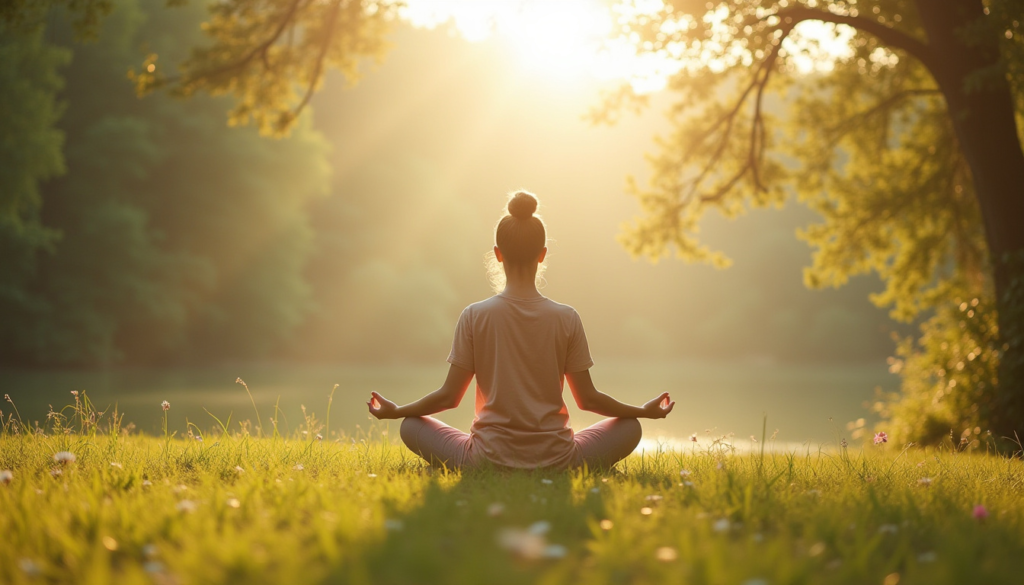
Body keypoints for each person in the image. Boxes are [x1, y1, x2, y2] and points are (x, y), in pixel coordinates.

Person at [366, 190, 674, 470]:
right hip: (558, 458)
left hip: (485, 458)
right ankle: (570, 464)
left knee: (410, 425)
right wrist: (643, 411)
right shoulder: (566, 318)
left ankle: (477, 462)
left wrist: (396, 411)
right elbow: (588, 400)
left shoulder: (474, 315)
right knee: (630, 426)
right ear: (542, 254)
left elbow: (449, 397)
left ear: (498, 254)